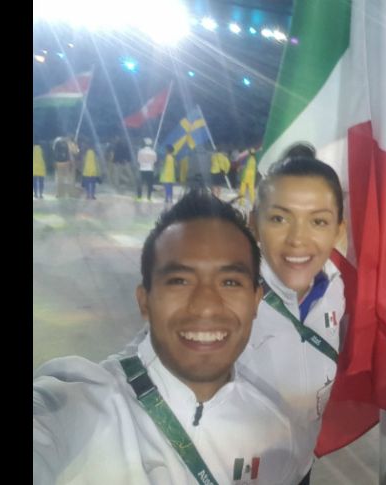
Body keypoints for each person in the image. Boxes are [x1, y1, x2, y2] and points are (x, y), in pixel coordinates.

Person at [33, 189, 298, 484]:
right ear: (145, 301)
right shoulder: (80, 406)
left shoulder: (275, 433)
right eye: (179, 280)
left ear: (256, 301)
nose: (206, 305)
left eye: (230, 281)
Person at [237, 144, 347, 485]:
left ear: (338, 231)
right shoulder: (227, 292)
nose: (298, 239)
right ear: (254, 223)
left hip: (300, 465)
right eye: (280, 218)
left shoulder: (334, 288)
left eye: (318, 221)